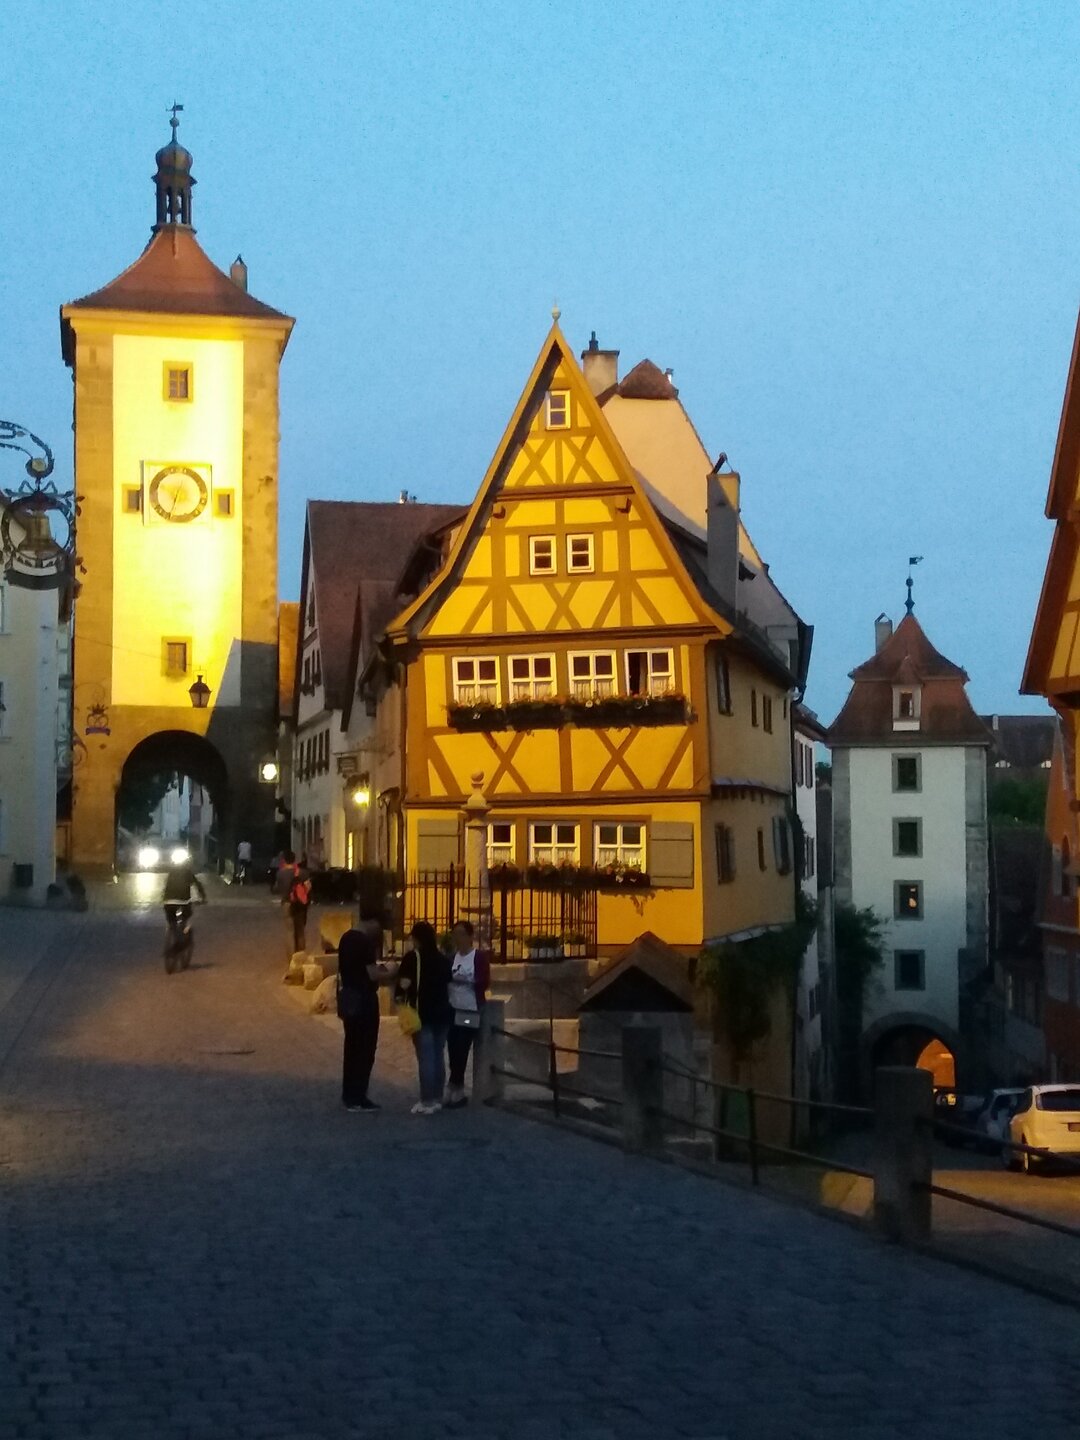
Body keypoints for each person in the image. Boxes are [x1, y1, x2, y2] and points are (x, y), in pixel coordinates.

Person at [335, 916, 399, 1113]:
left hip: (349, 998)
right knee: (365, 1049)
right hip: (364, 1000)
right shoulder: (365, 942)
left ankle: (348, 1095)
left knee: (351, 1047)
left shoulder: (345, 938)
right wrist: (391, 972)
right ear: (372, 923)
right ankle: (359, 1096)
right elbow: (372, 974)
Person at [396, 921, 452, 1115]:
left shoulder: (413, 958)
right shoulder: (443, 959)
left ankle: (427, 1100)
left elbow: (404, 984)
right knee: (438, 1056)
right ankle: (437, 1097)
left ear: (417, 938)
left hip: (422, 1014)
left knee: (426, 1058)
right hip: (443, 1014)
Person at [445, 919, 490, 1109]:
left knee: (462, 1046)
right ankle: (456, 1085)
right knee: (452, 1047)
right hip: (453, 1008)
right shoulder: (451, 958)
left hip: (469, 1009)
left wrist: (468, 981)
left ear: (470, 936)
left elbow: (484, 981)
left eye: (462, 934)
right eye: (455, 934)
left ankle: (455, 1086)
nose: (458, 938)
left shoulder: (478, 957)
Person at [274, 850, 311, 958]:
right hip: (300, 904)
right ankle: (301, 956)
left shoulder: (280, 873)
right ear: (294, 860)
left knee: (289, 931)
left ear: (284, 860)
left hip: (287, 903)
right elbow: (308, 887)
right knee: (300, 931)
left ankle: (291, 958)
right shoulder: (303, 872)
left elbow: (277, 888)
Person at [162, 854, 207, 925]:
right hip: (184, 900)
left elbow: (165, 887)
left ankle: (172, 928)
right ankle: (183, 925)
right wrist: (203, 897)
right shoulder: (187, 872)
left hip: (168, 901)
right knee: (188, 913)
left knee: (171, 920)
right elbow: (197, 885)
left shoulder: (171, 873)